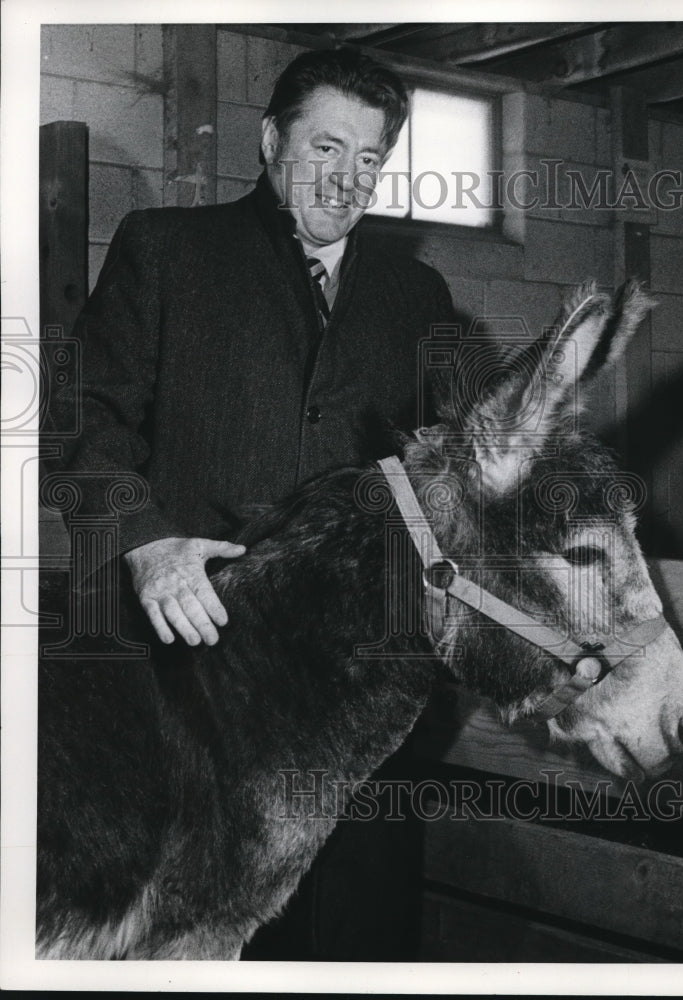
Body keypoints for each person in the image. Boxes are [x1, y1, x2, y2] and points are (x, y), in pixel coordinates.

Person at [52, 46, 454, 959]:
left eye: (370, 157)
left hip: (354, 713)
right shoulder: (166, 251)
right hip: (183, 694)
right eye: (325, 146)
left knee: (356, 945)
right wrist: (146, 544)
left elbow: (453, 481)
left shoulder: (419, 296)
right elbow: (81, 425)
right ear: (272, 139)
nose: (347, 177)